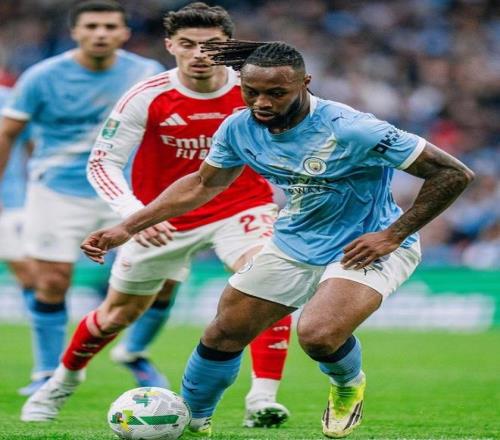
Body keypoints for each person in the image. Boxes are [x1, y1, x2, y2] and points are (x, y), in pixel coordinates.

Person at [31, 40, 474, 438]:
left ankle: (347, 384)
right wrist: (127, 226)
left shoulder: (353, 128)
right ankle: (194, 423)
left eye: (276, 93)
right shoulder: (238, 127)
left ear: (305, 84)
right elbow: (202, 184)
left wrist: (393, 235)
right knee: (224, 332)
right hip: (294, 242)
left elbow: (452, 173)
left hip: (365, 244)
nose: (261, 102)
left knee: (318, 334)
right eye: (251, 91)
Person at [20, 2, 292, 429]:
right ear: (170, 46)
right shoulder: (147, 95)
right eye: (188, 44)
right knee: (116, 316)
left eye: (211, 45)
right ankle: (60, 383)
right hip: (162, 220)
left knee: (267, 277)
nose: (199, 54)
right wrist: (136, 216)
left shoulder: (255, 88)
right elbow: (102, 163)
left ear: (228, 47)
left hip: (241, 206)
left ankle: (263, 399)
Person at [0, 0, 164, 395]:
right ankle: (46, 372)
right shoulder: (42, 77)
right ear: (75, 32)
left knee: (158, 278)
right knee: (51, 280)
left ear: (125, 33)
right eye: (91, 26)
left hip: (124, 192)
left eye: (110, 26)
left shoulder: (147, 74)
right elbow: (8, 133)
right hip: (57, 190)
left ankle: (134, 352)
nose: (100, 33)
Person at [0, 87, 36, 392]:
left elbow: (33, 146)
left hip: (11, 202)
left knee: (29, 275)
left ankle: (46, 363)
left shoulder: (11, 99)